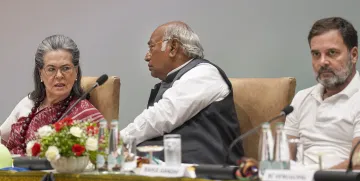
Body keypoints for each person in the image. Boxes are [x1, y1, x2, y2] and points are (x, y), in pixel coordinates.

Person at [120, 21, 244, 165]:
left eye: (152, 47)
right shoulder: (177, 80)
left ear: (173, 47)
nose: (147, 57)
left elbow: (162, 116)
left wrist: (115, 141)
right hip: (175, 166)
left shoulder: (203, 74)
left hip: (208, 169)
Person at [0, 35, 104, 155]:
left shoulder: (86, 114)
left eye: (66, 68)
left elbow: (107, 152)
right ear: (40, 74)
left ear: (76, 72)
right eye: (51, 69)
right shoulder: (28, 103)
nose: (59, 75)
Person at [284, 17, 359, 169]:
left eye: (332, 52)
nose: (322, 62)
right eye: (316, 54)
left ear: (354, 55)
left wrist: (312, 178)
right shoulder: (301, 98)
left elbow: (357, 164)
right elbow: (284, 157)